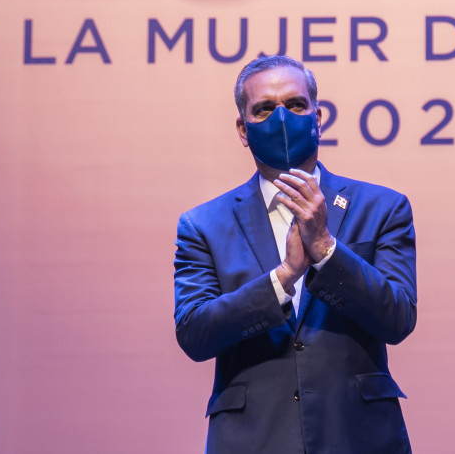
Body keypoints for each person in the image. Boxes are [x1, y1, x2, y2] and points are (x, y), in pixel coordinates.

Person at [174, 55, 418, 454]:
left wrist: (326, 249)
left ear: (317, 118)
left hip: (358, 436)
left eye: (295, 105)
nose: (282, 119)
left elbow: (398, 318)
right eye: (264, 109)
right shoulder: (203, 224)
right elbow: (195, 334)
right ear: (243, 129)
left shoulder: (383, 207)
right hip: (254, 439)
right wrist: (282, 278)